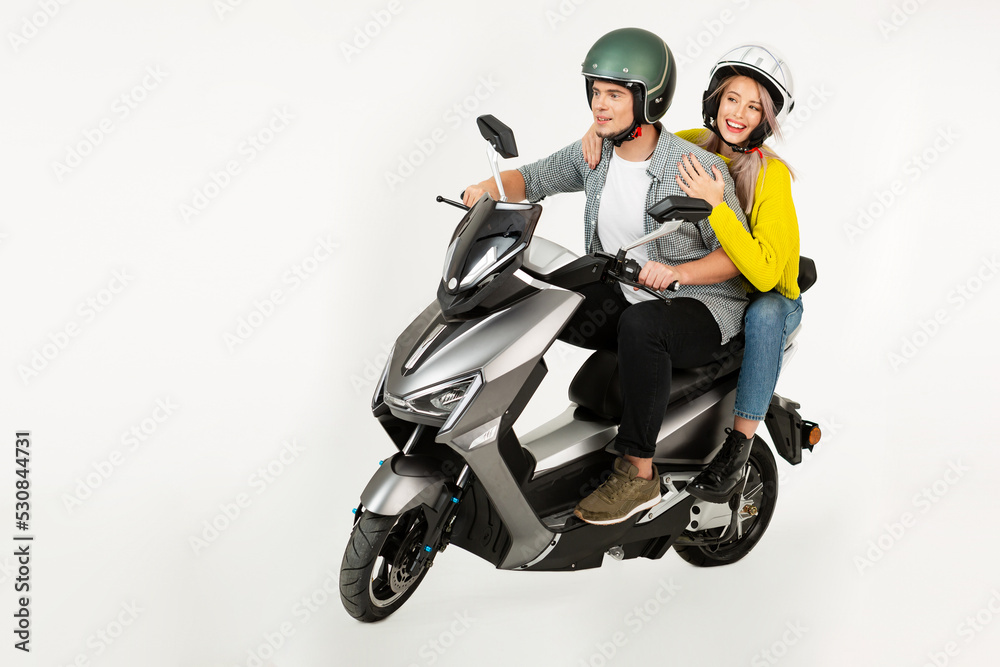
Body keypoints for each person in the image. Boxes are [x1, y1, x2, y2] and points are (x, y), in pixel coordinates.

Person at [462, 28, 751, 525]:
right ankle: (477, 422)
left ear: (647, 100)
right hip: (625, 289)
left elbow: (734, 258)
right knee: (531, 298)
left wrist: (677, 274)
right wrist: (483, 192)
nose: (600, 105)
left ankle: (638, 474)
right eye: (596, 91)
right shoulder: (596, 154)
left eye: (614, 94)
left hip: (703, 305)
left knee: (643, 328)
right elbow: (532, 178)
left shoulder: (695, 169)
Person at [580, 44, 802, 502]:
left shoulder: (771, 175)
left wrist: (718, 207)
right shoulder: (692, 144)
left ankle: (738, 446)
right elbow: (643, 139)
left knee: (763, 315)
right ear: (714, 101)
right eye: (732, 99)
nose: (738, 113)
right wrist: (600, 128)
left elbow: (762, 272)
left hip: (768, 292)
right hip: (708, 285)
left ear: (766, 119)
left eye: (754, 106)